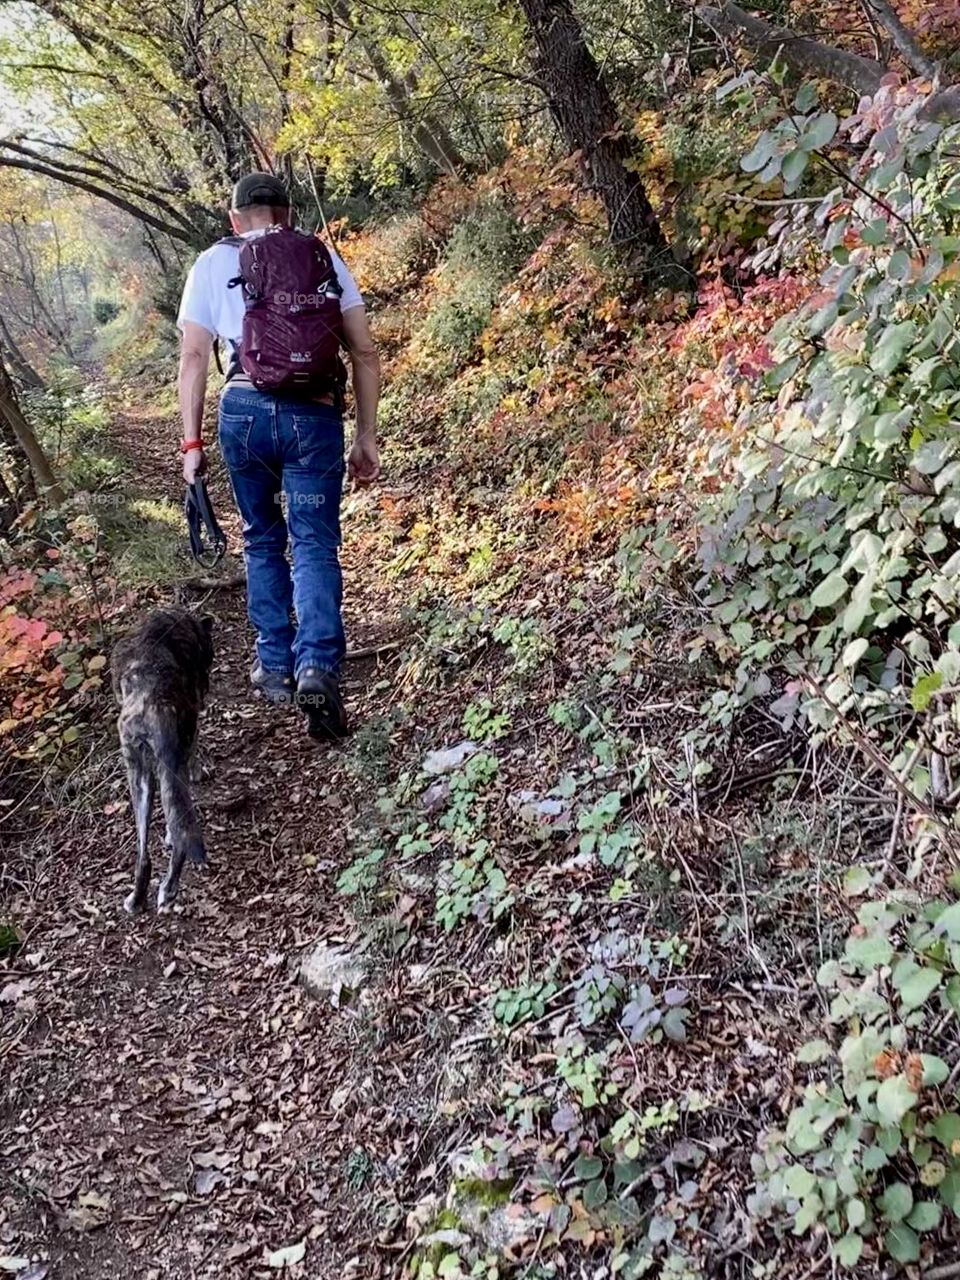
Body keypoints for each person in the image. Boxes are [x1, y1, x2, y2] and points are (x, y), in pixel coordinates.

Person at [176, 171, 380, 740]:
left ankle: (273, 665)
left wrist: (191, 444)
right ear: (288, 215)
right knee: (314, 541)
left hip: (242, 414)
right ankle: (317, 662)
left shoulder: (211, 264)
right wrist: (366, 433)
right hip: (312, 417)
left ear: (235, 219)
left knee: (262, 537)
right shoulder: (321, 256)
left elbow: (194, 358)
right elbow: (363, 349)